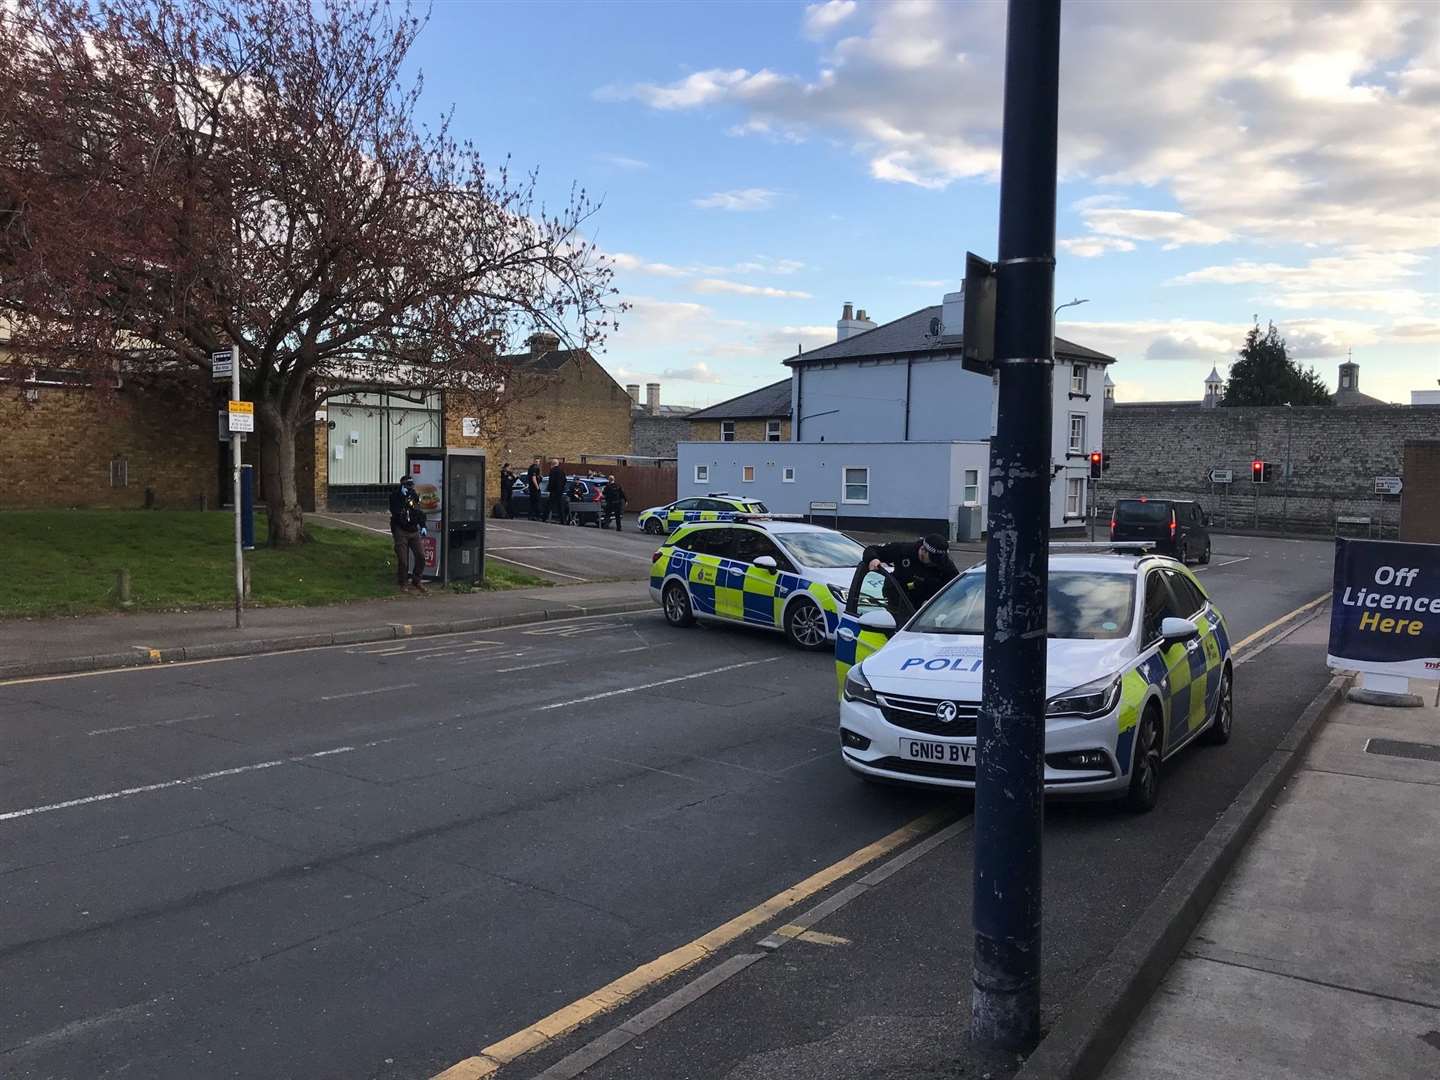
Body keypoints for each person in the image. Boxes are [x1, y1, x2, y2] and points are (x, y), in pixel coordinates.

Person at [862, 533, 958, 608]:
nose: (934, 563)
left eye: (937, 561)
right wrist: (873, 559)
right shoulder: (904, 551)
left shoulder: (945, 564)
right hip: (898, 600)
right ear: (923, 550)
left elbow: (957, 588)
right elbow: (872, 549)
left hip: (927, 607)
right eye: (932, 560)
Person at [389, 475, 429, 594]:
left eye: (411, 485)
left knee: (421, 556)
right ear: (402, 485)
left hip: (413, 530)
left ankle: (416, 580)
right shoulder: (395, 496)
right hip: (400, 530)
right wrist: (403, 497)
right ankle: (403, 583)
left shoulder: (414, 495)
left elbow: (418, 511)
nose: (409, 487)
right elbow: (395, 511)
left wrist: (423, 526)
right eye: (407, 485)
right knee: (403, 559)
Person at [546, 457, 569, 525]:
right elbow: (565, 480)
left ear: (553, 464)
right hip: (560, 491)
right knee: (560, 506)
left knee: (549, 505)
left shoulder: (553, 471)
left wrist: (549, 488)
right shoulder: (562, 471)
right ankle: (562, 520)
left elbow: (551, 481)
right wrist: (562, 487)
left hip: (554, 490)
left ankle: (544, 517)